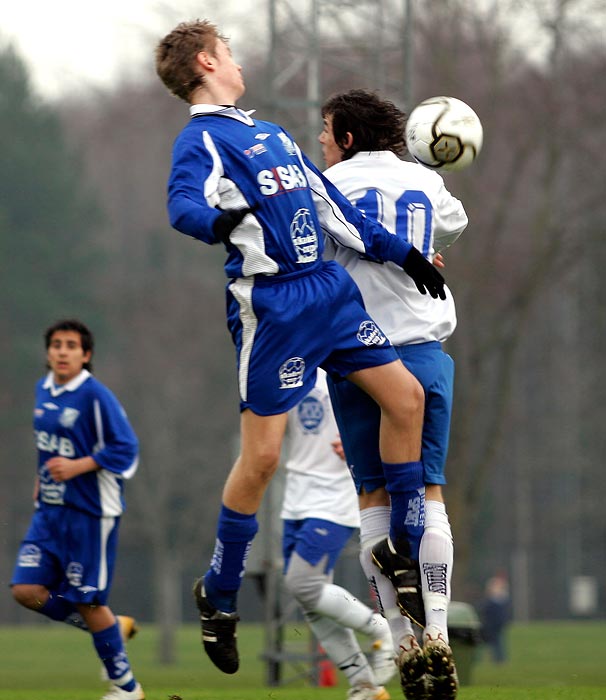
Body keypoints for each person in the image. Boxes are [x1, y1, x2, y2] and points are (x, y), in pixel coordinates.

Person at [155, 19, 447, 678]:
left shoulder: (269, 133)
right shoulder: (200, 140)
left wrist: (402, 254)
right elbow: (181, 207)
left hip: (330, 294)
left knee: (407, 399)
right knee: (260, 460)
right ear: (206, 60)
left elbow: (333, 207)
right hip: (275, 309)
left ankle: (399, 548)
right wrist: (218, 221)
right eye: (226, 50)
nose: (235, 58)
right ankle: (220, 592)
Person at [318, 89, 468, 700]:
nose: (321, 142)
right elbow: (452, 227)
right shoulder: (424, 181)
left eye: (326, 131)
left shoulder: (327, 184)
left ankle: (403, 643)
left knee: (373, 498)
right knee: (429, 491)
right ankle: (437, 636)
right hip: (424, 349)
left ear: (348, 138)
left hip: (360, 355)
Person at [10, 319, 144, 700]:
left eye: (71, 345)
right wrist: (45, 475)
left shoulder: (95, 396)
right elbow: (50, 446)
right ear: (48, 352)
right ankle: (113, 627)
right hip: (49, 512)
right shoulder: (43, 389)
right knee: (26, 590)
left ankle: (128, 689)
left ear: (86, 355)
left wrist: (78, 467)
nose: (62, 351)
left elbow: (125, 448)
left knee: (87, 600)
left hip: (90, 513)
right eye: (56, 344)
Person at [282, 368, 396, 700]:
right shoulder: (287, 366)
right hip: (295, 498)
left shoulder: (346, 365)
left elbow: (397, 405)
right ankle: (364, 684)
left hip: (334, 497)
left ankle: (382, 629)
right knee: (309, 601)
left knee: (303, 583)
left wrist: (365, 441)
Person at [479, 573, 511, 664]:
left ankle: (499, 659)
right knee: (495, 642)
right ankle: (497, 659)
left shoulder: (497, 602)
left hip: (495, 625)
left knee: (497, 643)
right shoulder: (496, 601)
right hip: (492, 625)